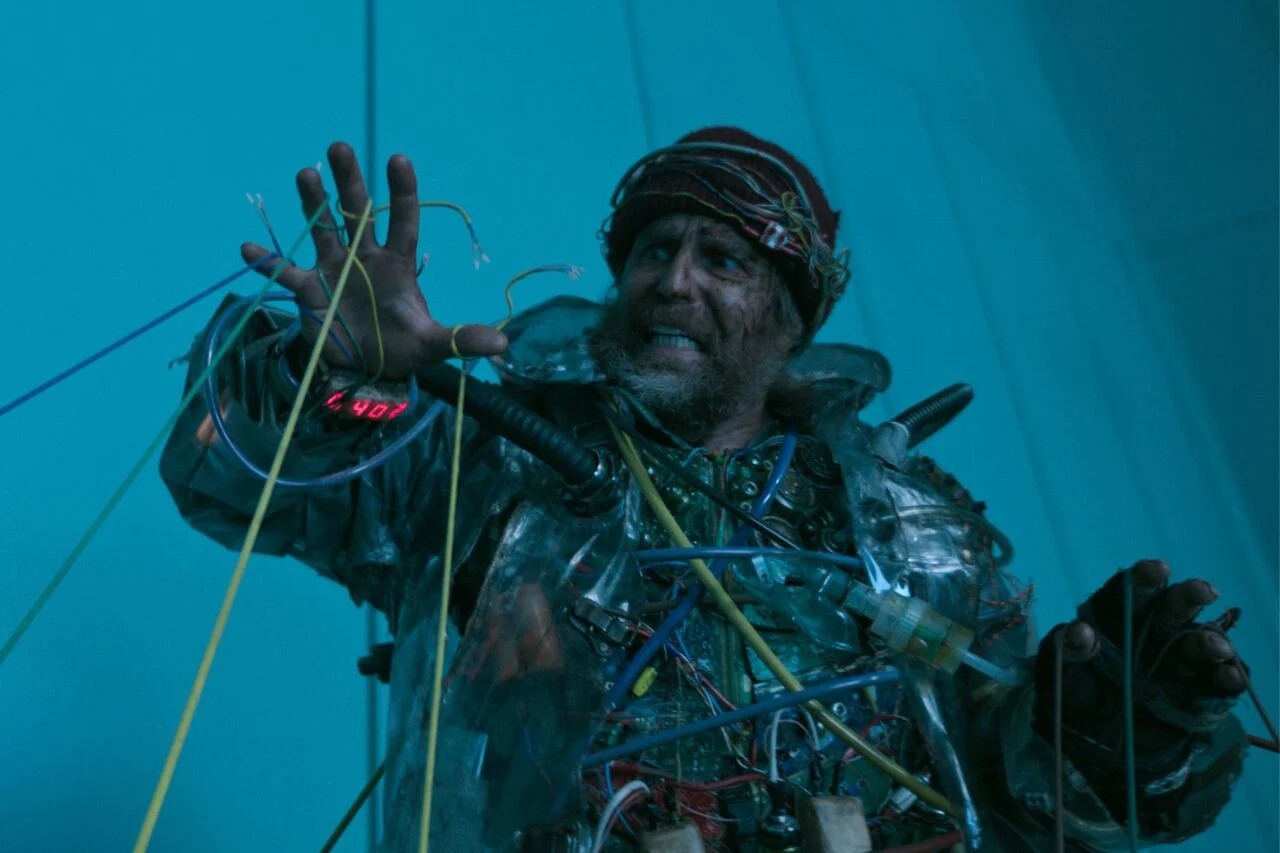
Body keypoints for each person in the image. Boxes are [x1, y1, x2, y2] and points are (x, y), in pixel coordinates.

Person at [160, 130, 1253, 852]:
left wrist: (1122, 727)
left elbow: (1030, 796)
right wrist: (324, 376)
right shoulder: (490, 462)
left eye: (724, 258)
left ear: (792, 319)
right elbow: (231, 476)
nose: (672, 278)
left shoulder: (909, 523)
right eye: (651, 251)